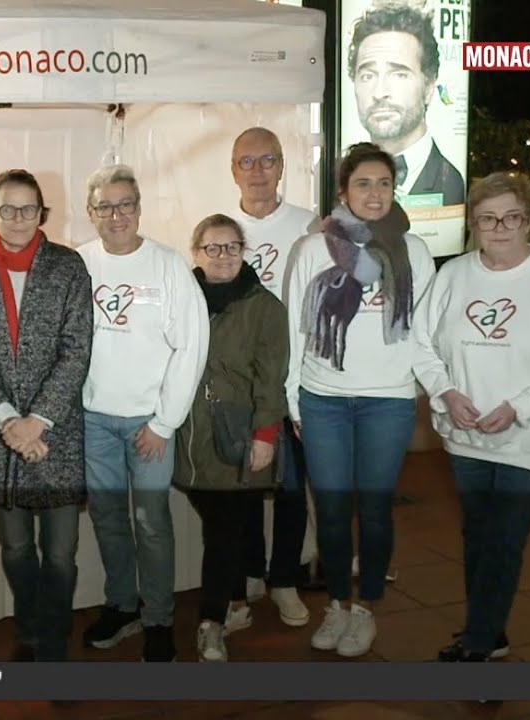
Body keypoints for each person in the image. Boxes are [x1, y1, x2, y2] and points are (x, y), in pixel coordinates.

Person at [412, 172, 530, 662]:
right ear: (473, 223)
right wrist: (447, 392)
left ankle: (477, 642)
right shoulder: (453, 276)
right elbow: (421, 344)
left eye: (511, 217)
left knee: (504, 538)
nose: (500, 227)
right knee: (478, 536)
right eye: (487, 218)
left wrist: (521, 407)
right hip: (465, 434)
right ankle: (489, 631)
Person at [284, 142, 436, 658]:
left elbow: (425, 329)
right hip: (323, 398)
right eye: (364, 184)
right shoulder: (313, 249)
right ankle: (336, 605)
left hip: (387, 402)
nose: (375, 194)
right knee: (330, 510)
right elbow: (293, 332)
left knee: (373, 510)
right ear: (343, 192)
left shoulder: (412, 250)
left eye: (384, 184)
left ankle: (365, 608)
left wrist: (414, 389)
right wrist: (294, 403)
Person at [0, 169, 94, 663]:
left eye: (27, 209)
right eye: (6, 208)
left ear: (42, 214)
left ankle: (54, 642)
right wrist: (10, 421)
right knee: (14, 547)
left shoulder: (67, 266)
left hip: (56, 434)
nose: (17, 219)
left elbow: (77, 350)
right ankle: (29, 630)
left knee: (60, 551)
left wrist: (38, 421)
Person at [77, 164, 208, 663]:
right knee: (109, 519)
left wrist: (163, 422)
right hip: (93, 422)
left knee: (151, 521)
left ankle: (158, 618)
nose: (116, 215)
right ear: (91, 213)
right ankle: (121, 605)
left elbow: (191, 346)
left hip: (150, 423)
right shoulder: (77, 264)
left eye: (125, 204)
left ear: (139, 207)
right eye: (105, 206)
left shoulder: (169, 265)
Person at [175, 214, 289, 662]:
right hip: (187, 432)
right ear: (196, 253)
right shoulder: (180, 300)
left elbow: (271, 380)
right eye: (212, 248)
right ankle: (239, 597)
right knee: (225, 521)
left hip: (240, 436)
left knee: (223, 529)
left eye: (231, 247)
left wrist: (265, 435)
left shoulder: (265, 307)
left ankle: (212, 622)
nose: (222, 257)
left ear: (244, 251)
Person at [228, 127, 317, 632]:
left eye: (267, 160)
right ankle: (251, 574)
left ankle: (285, 579)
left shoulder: (310, 226)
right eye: (246, 161)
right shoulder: (219, 230)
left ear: (282, 166)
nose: (257, 170)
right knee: (242, 486)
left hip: (297, 379)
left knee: (290, 486)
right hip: (242, 384)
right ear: (232, 168)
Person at [348, 3, 465, 205]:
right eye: (367, 76)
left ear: (428, 87)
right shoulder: (340, 175)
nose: (379, 93)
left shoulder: (452, 182)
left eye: (399, 74)